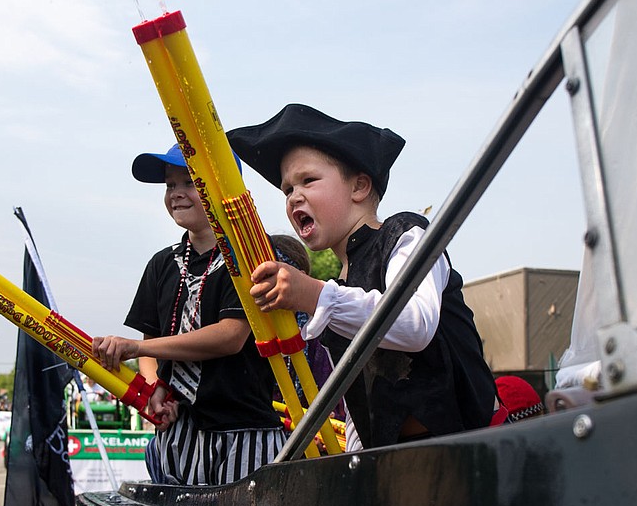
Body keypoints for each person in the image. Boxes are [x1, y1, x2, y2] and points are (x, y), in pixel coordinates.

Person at [227, 103, 496, 450]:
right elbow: (359, 398)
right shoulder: (339, 288)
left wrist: (313, 294)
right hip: (392, 461)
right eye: (287, 190)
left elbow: (415, 325)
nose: (295, 196)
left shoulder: (405, 235)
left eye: (308, 180)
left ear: (359, 187)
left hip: (467, 448)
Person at [92, 143, 285, 486]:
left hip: (243, 432)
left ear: (221, 188)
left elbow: (230, 336)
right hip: (178, 436)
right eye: (170, 185)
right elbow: (151, 338)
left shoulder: (251, 254)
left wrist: (138, 350)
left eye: (188, 183)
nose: (176, 194)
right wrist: (155, 388)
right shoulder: (162, 263)